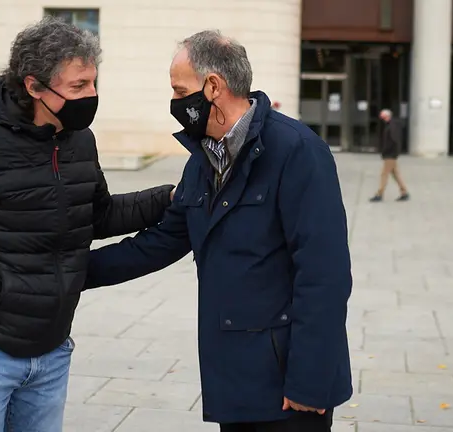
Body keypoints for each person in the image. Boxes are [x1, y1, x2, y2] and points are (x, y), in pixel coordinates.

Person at [0, 17, 174, 432]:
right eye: (78, 87)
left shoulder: (79, 141)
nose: (91, 96)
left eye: (93, 83)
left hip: (54, 352)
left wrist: (169, 199)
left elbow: (97, 215)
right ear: (34, 86)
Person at [85, 30, 353, 432]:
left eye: (179, 90)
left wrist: (310, 382)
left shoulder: (297, 151)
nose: (175, 103)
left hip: (289, 387)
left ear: (213, 87)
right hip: (235, 380)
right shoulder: (203, 158)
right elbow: (161, 241)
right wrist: (69, 272)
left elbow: (324, 276)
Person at [369, 109, 410, 202]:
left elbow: (393, 141)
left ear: (387, 116)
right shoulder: (391, 125)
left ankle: (379, 194)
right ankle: (404, 192)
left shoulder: (391, 126)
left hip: (390, 155)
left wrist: (386, 151)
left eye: (382, 115)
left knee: (384, 174)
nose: (381, 117)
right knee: (395, 174)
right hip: (391, 154)